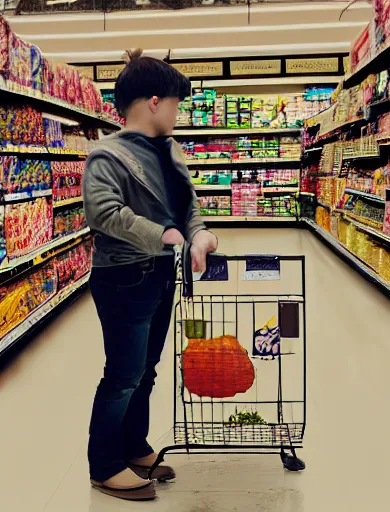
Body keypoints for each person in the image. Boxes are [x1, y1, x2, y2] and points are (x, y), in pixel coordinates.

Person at [83, 49, 218, 501]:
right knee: (122, 374)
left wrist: (198, 236)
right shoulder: (106, 155)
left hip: (161, 275)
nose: (179, 114)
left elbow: (188, 207)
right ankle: (104, 466)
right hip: (123, 277)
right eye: (177, 104)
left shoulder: (170, 152)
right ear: (154, 102)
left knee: (148, 370)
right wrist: (163, 235)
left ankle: (133, 446)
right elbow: (104, 213)